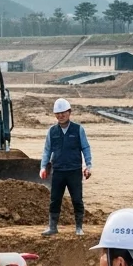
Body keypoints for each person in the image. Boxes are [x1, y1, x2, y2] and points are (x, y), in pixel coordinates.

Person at [39, 98, 92, 237]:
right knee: (55, 199)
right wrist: (43, 167)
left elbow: (85, 148)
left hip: (74, 171)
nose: (60, 116)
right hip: (58, 171)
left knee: (77, 199)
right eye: (58, 113)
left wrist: (88, 165)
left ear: (69, 112)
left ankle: (79, 227)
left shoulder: (78, 129)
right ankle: (52, 227)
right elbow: (47, 150)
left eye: (63, 113)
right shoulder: (52, 131)